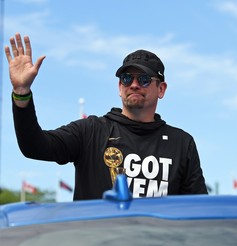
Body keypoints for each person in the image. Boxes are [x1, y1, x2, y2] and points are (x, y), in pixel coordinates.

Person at [5, 33, 208, 200]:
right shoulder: (91, 131)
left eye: (144, 79)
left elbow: (198, 212)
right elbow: (34, 146)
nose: (134, 84)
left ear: (161, 89)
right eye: (127, 78)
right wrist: (22, 93)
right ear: (120, 87)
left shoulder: (181, 143)